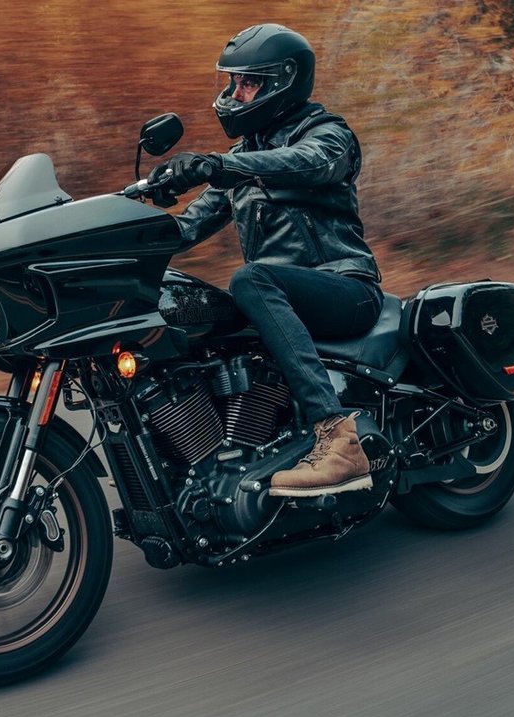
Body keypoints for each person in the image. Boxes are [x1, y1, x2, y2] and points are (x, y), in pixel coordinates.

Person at [150, 23, 383, 497]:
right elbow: (186, 227)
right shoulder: (244, 156)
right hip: (286, 294)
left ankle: (339, 441)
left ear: (283, 82)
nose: (235, 93)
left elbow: (308, 161)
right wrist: (113, 227)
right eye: (233, 82)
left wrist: (218, 165)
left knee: (249, 280)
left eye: (248, 82)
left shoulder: (327, 133)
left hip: (346, 289)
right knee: (183, 307)